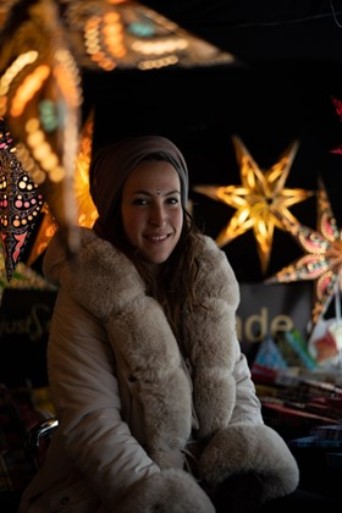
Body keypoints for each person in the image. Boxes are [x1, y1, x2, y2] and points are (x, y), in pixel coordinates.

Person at [19, 135, 300, 513]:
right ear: (113, 208)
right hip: (110, 491)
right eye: (140, 201)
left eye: (171, 200)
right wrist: (167, 500)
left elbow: (236, 383)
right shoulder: (85, 295)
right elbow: (94, 426)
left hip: (206, 478)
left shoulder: (202, 278)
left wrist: (241, 468)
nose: (160, 218)